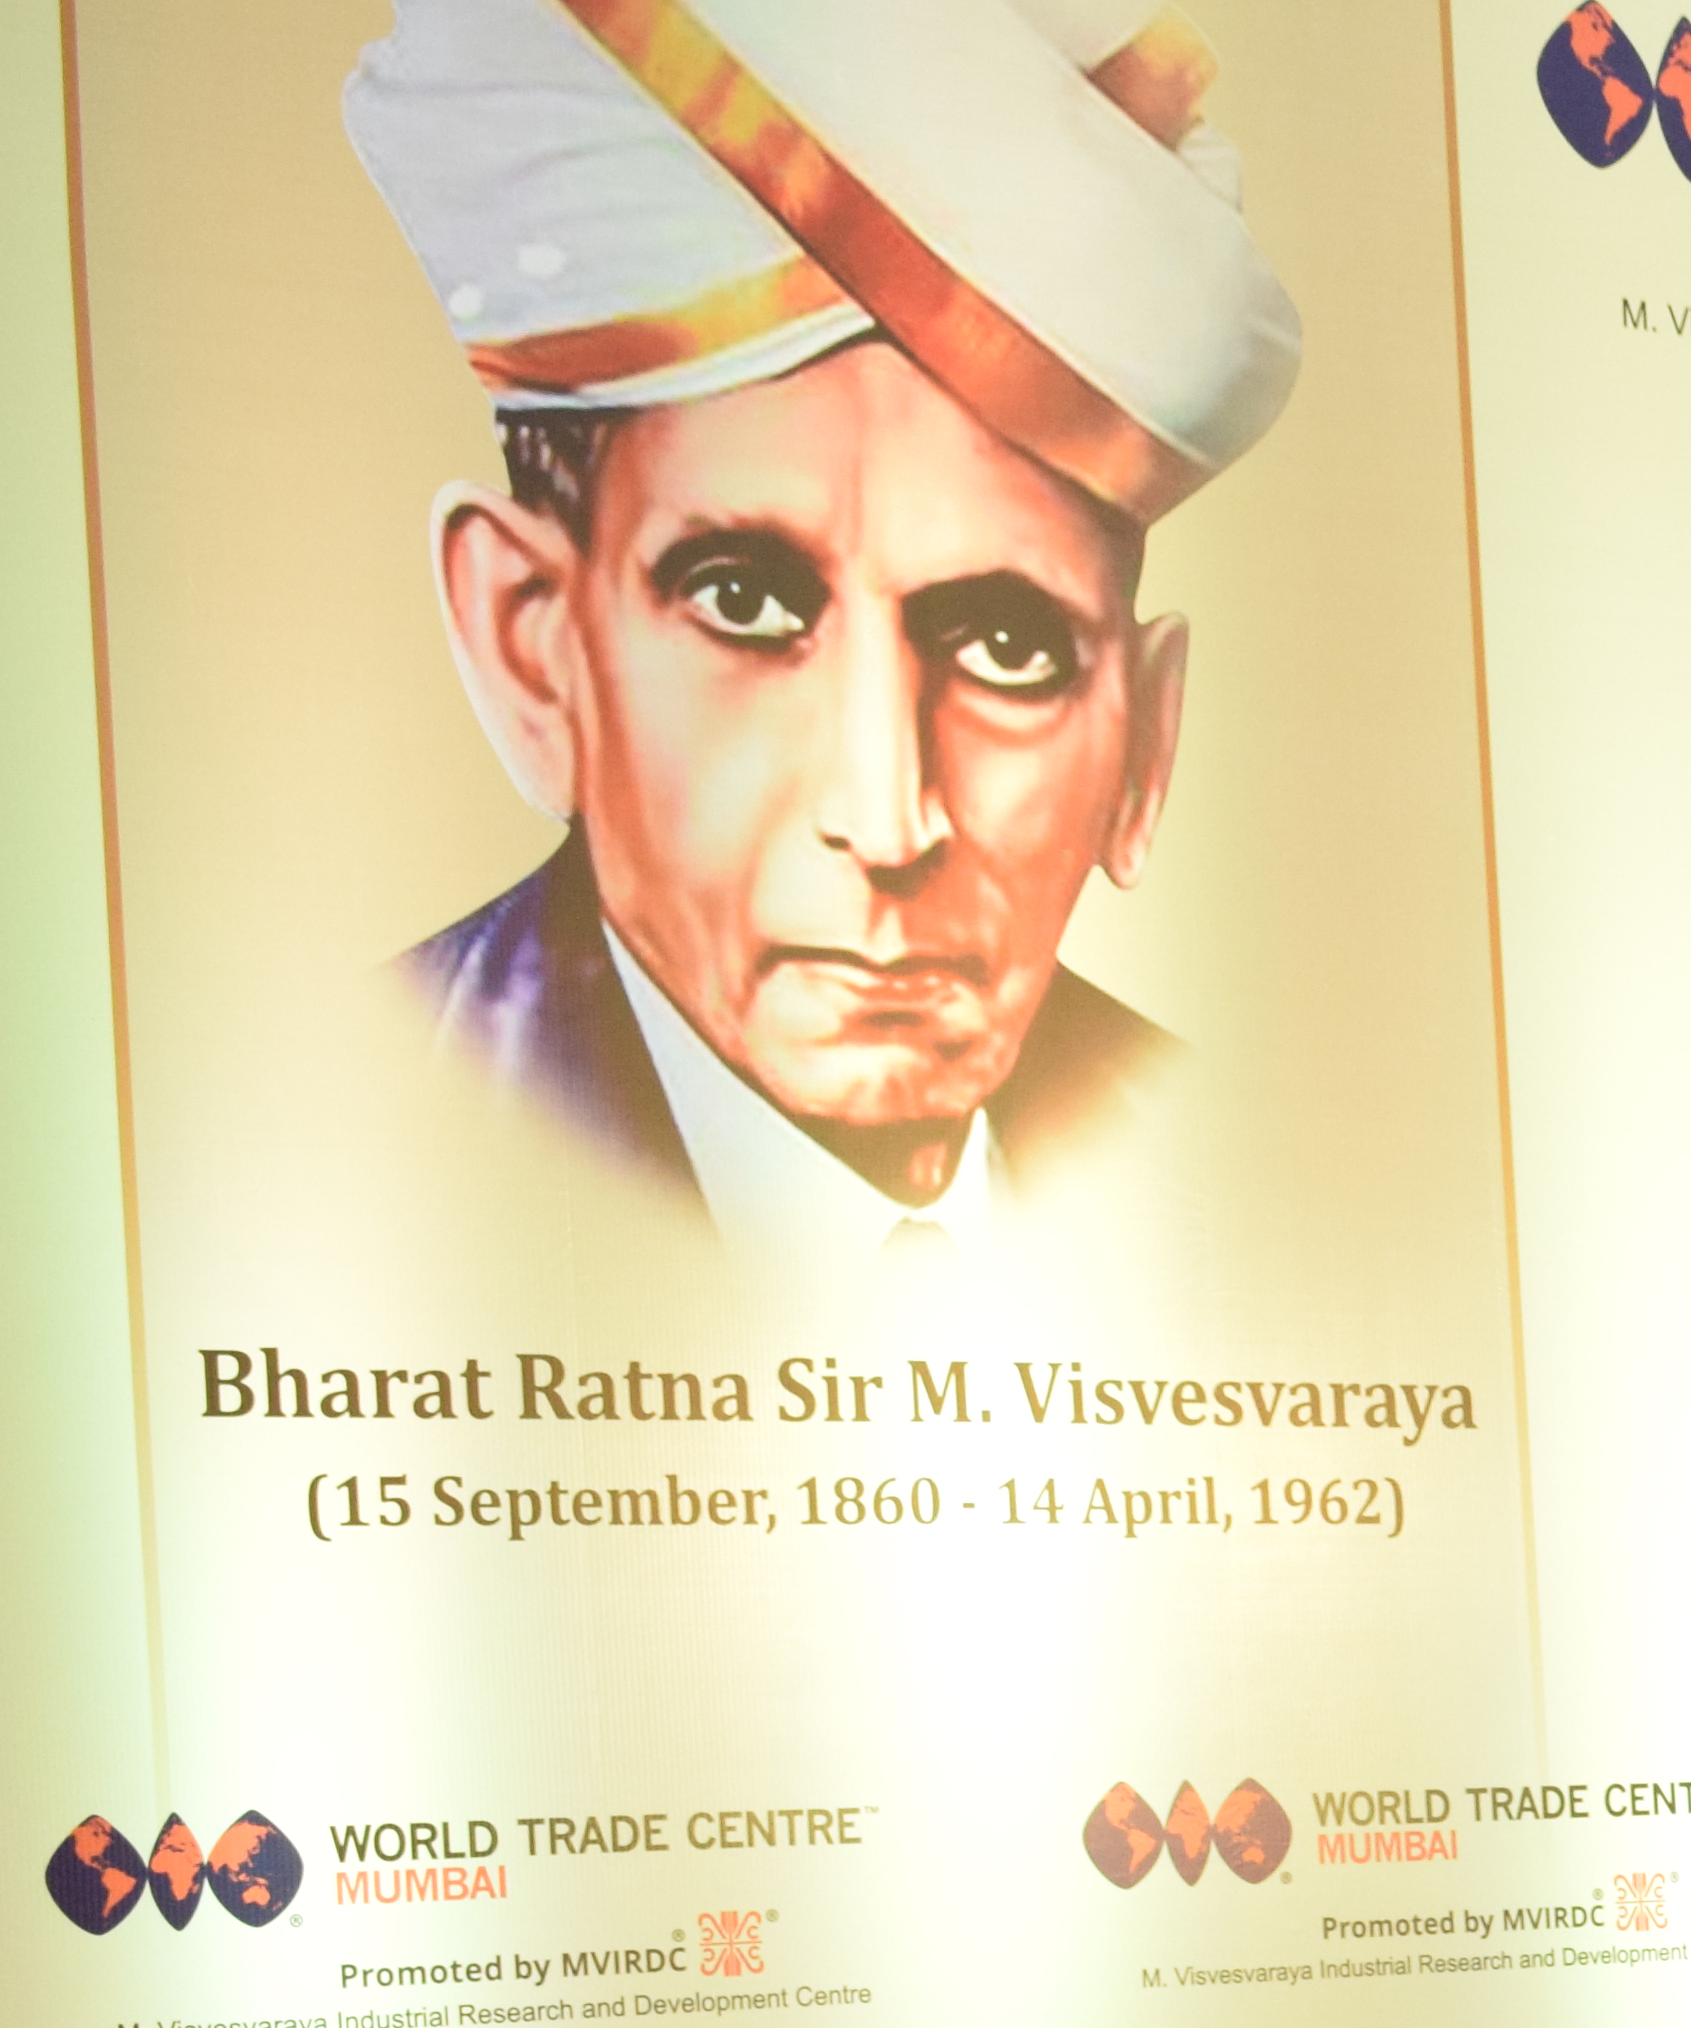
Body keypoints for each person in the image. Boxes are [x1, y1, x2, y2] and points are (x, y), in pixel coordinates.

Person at [344, 0, 1304, 1258]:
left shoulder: (1243, 1188)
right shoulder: (365, 1143)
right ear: (533, 649)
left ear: (1145, 749)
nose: (888, 815)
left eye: (1006, 646)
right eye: (745, 604)